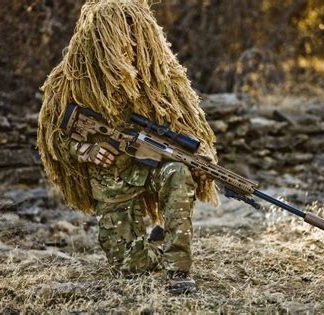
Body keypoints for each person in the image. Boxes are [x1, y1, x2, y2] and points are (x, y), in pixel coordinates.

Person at [37, 0, 219, 294]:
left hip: (154, 168)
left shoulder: (161, 75)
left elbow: (190, 127)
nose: (125, 43)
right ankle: (157, 244)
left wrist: (202, 156)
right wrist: (84, 151)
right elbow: (53, 136)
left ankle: (178, 271)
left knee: (178, 172)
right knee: (129, 268)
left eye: (131, 33)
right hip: (112, 183)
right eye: (115, 35)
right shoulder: (70, 79)